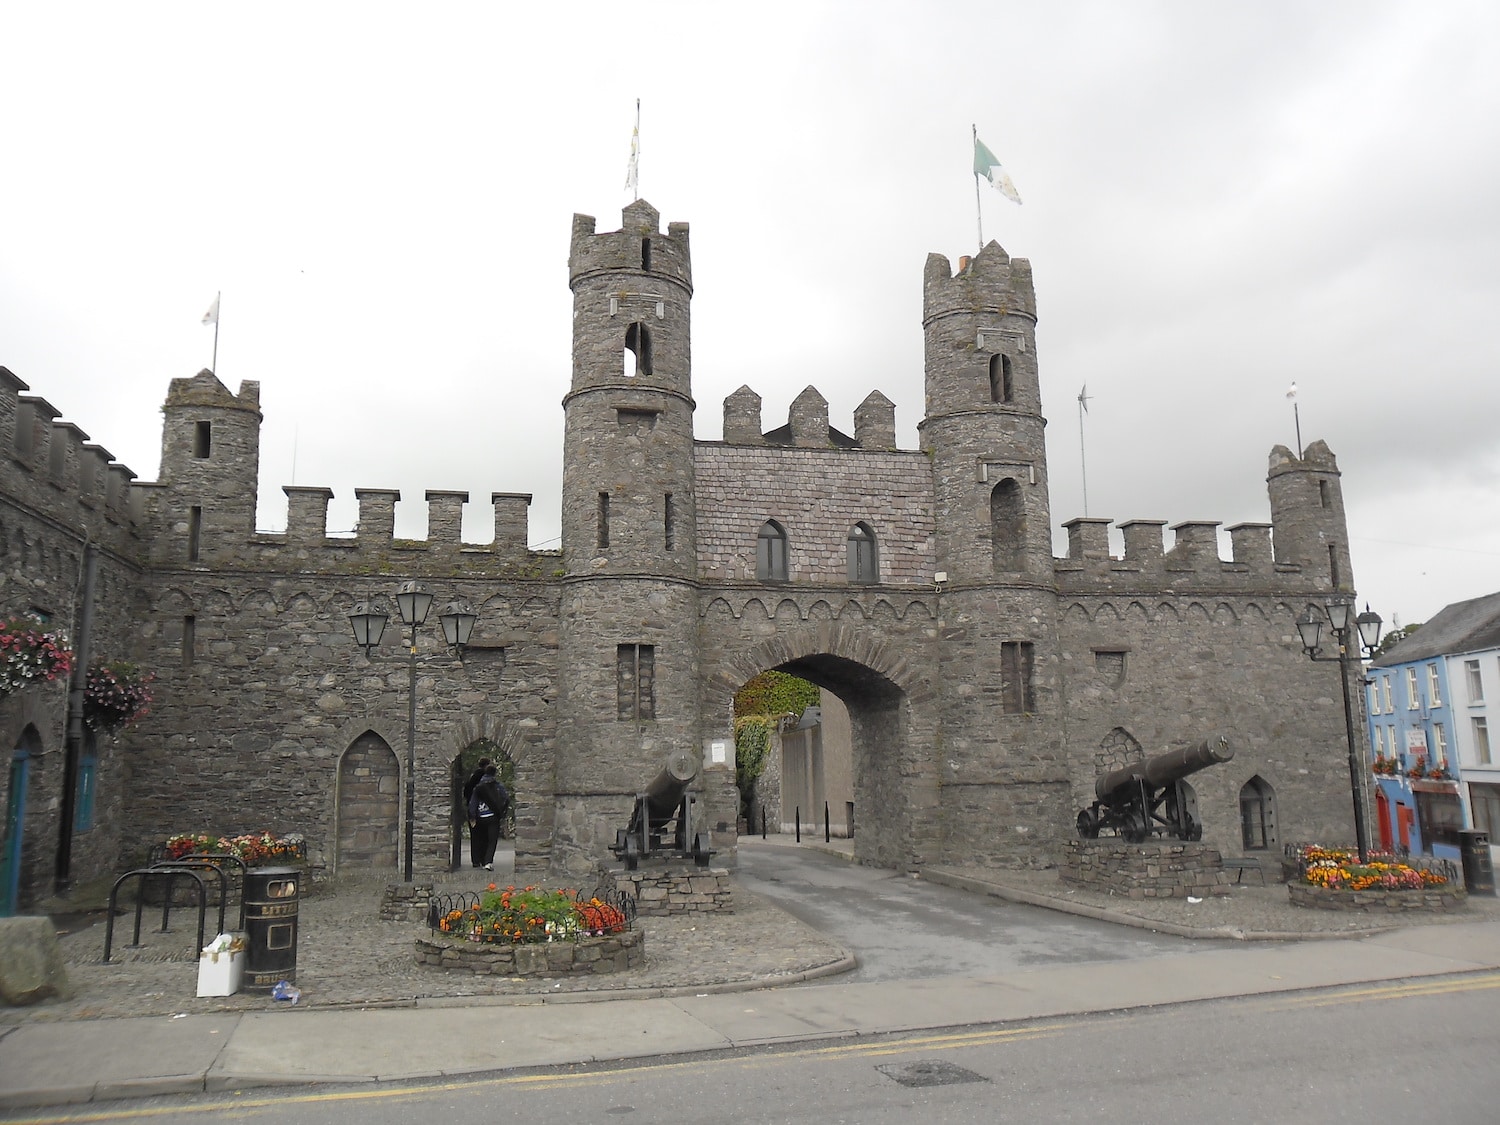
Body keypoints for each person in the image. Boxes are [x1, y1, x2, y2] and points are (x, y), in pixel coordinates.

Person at [469, 765, 508, 871]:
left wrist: (472, 816)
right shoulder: (498, 786)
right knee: (492, 840)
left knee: (482, 839)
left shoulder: (478, 787)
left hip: (481, 816)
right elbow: (505, 798)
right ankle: (488, 862)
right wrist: (502, 811)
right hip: (493, 816)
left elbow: (473, 802)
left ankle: (480, 860)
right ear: (494, 773)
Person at [463, 757, 492, 869]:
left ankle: (475, 860)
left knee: (475, 836)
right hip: (485, 810)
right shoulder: (486, 778)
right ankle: (484, 859)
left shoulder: (473, 777)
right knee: (485, 836)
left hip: (473, 809)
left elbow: (466, 791)